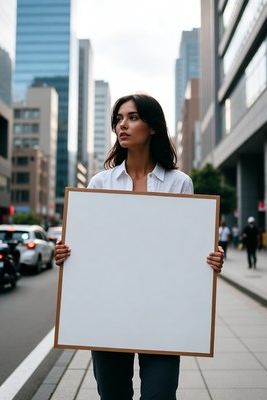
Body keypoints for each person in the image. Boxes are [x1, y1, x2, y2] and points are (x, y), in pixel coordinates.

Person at [54, 94, 224, 400]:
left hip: (163, 311)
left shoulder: (179, 183)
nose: (123, 125)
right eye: (119, 119)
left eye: (132, 117)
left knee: (159, 395)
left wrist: (209, 258)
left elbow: (186, 246)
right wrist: (67, 253)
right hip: (109, 311)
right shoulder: (100, 183)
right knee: (113, 395)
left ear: (153, 127)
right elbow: (89, 248)